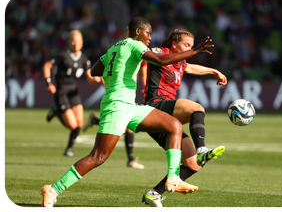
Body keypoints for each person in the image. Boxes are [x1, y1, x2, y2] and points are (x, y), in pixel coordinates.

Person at [40, 17, 214, 208]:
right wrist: (194, 51)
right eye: (148, 33)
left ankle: (173, 178)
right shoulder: (135, 45)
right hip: (116, 106)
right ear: (138, 32)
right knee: (97, 157)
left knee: (175, 126)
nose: (150, 37)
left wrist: (117, 71)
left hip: (130, 107)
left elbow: (96, 70)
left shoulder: (114, 48)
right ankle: (53, 189)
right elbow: (161, 60)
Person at [141, 29, 227, 208]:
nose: (189, 48)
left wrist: (214, 71)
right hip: (154, 107)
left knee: (193, 163)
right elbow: (141, 55)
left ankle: (154, 193)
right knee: (196, 108)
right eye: (186, 45)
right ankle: (202, 147)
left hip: (165, 121)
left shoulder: (180, 62)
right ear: (174, 44)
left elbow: (192, 67)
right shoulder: (160, 52)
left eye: (191, 46)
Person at [82, 26, 146, 169]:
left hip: (127, 93)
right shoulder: (126, 49)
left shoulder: (126, 49)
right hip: (120, 94)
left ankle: (94, 120)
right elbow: (104, 71)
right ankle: (130, 160)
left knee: (125, 127)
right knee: (123, 128)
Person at [43, 30, 102, 156]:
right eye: (73, 41)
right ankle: (56, 111)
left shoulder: (84, 59)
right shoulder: (63, 56)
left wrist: (96, 79)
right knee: (72, 125)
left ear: (82, 42)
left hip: (73, 92)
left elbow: (89, 78)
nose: (76, 44)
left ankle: (68, 149)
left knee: (79, 124)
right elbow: (47, 66)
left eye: (78, 41)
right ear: (70, 42)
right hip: (61, 92)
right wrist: (49, 83)